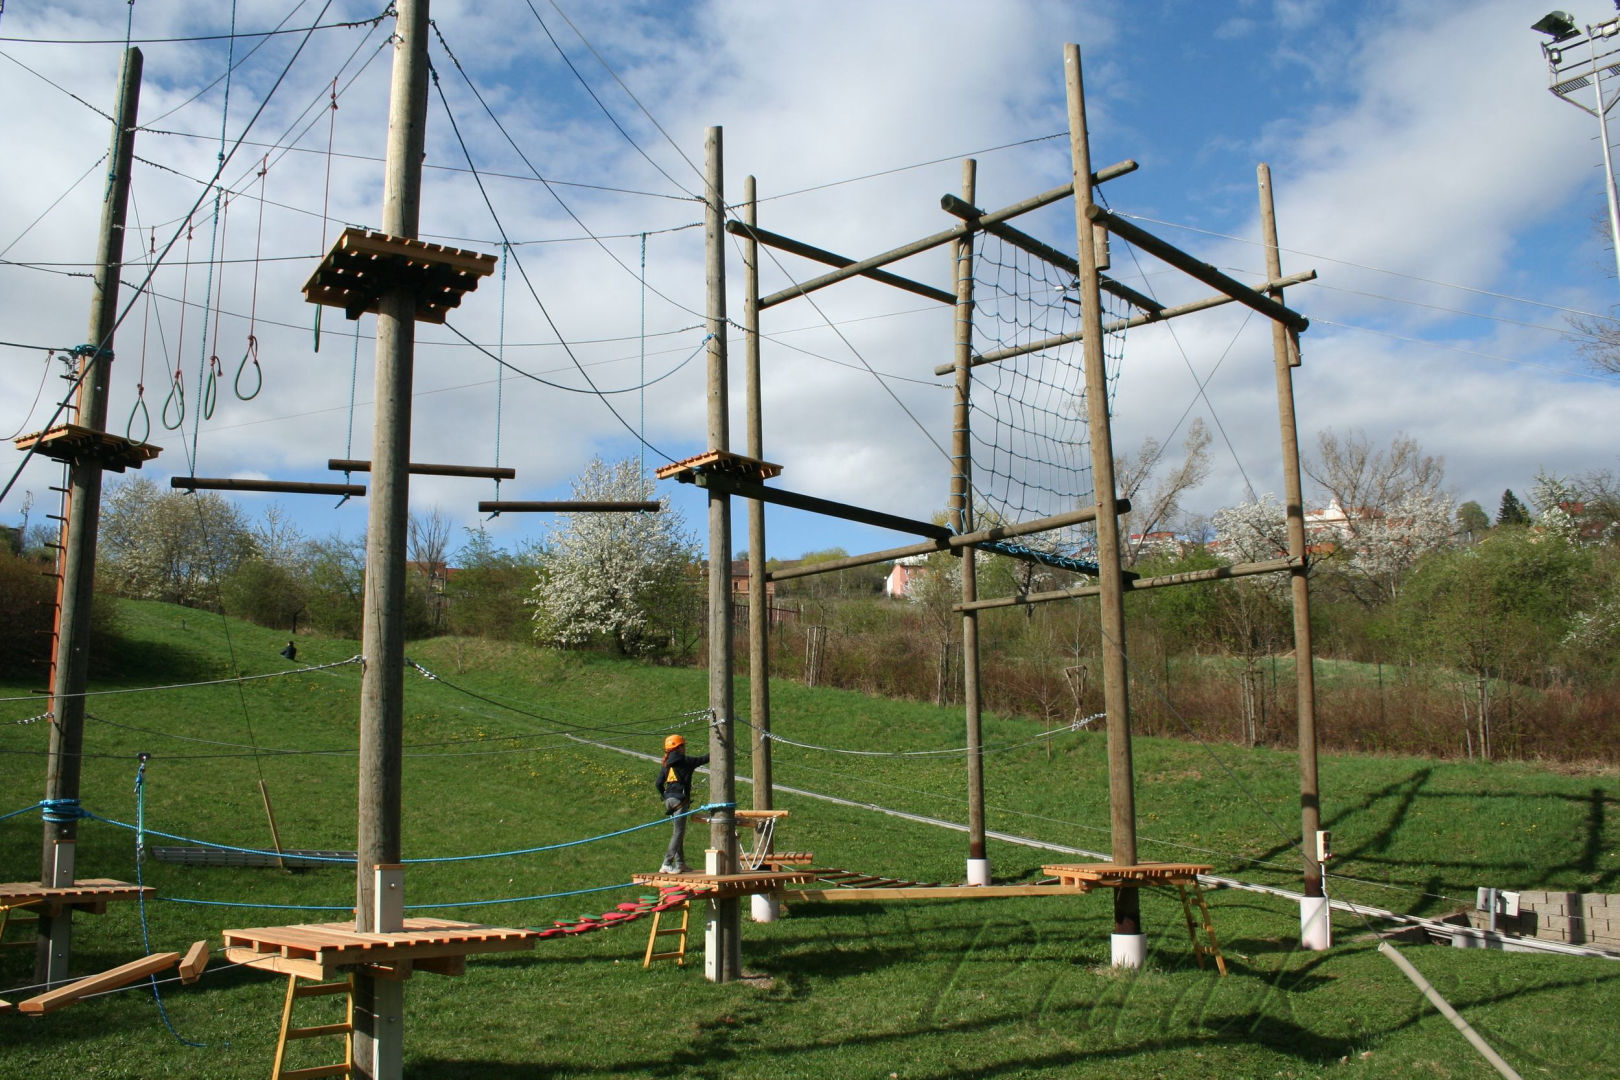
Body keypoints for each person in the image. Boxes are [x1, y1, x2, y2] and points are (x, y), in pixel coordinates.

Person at [655, 733, 709, 874]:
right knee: (678, 833)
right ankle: (667, 863)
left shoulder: (666, 764)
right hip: (680, 801)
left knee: (677, 833)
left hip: (669, 801)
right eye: (683, 745)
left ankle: (680, 863)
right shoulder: (687, 761)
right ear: (679, 748)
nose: (685, 748)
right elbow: (705, 759)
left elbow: (658, 783)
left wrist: (664, 795)